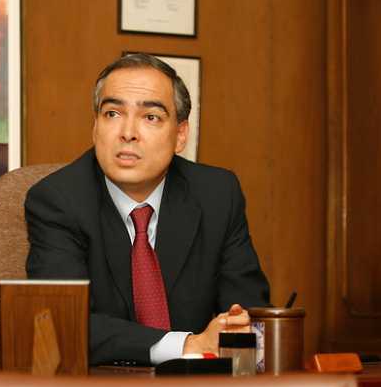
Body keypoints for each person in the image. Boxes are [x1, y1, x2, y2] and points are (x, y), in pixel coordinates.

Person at [25, 53, 270, 366]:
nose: (128, 132)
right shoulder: (57, 201)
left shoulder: (217, 195)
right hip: (101, 386)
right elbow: (64, 323)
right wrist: (188, 344)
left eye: (150, 117)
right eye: (112, 113)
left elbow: (249, 313)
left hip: (197, 386)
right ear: (95, 127)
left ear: (180, 135)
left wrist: (237, 329)